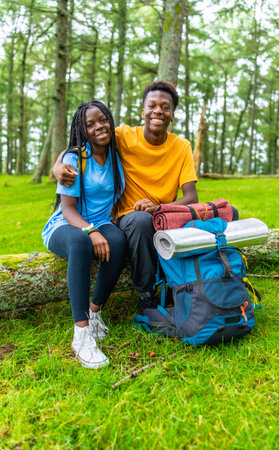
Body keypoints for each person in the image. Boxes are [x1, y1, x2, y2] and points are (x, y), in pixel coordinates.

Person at [53, 81, 198, 314]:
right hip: (127, 217)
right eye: (152, 105)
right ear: (143, 112)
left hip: (165, 214)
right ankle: (147, 296)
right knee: (140, 221)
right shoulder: (123, 136)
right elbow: (84, 138)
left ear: (172, 114)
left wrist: (160, 208)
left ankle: (183, 284)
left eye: (165, 107)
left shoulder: (182, 146)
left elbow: (191, 196)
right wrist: (58, 164)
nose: (158, 111)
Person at [42, 101, 127, 369]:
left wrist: (98, 229)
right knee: (80, 242)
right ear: (82, 130)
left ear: (110, 120)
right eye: (89, 124)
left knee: (118, 240)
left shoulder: (116, 151)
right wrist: (90, 231)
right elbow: (67, 210)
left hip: (101, 221)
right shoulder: (75, 158)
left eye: (102, 120)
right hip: (65, 225)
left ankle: (94, 312)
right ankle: (81, 334)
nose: (98, 127)